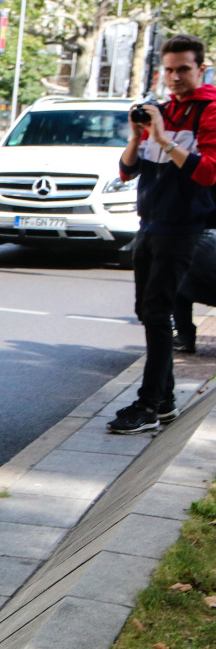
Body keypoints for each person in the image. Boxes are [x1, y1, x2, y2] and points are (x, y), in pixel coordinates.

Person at [108, 33, 216, 434]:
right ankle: (164, 400)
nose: (175, 77)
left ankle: (150, 403)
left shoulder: (209, 109)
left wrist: (165, 139)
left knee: (156, 312)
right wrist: (138, 137)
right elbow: (126, 172)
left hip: (184, 229)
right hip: (149, 226)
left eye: (183, 69)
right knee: (147, 312)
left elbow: (208, 172)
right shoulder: (162, 110)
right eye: (169, 70)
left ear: (200, 68)